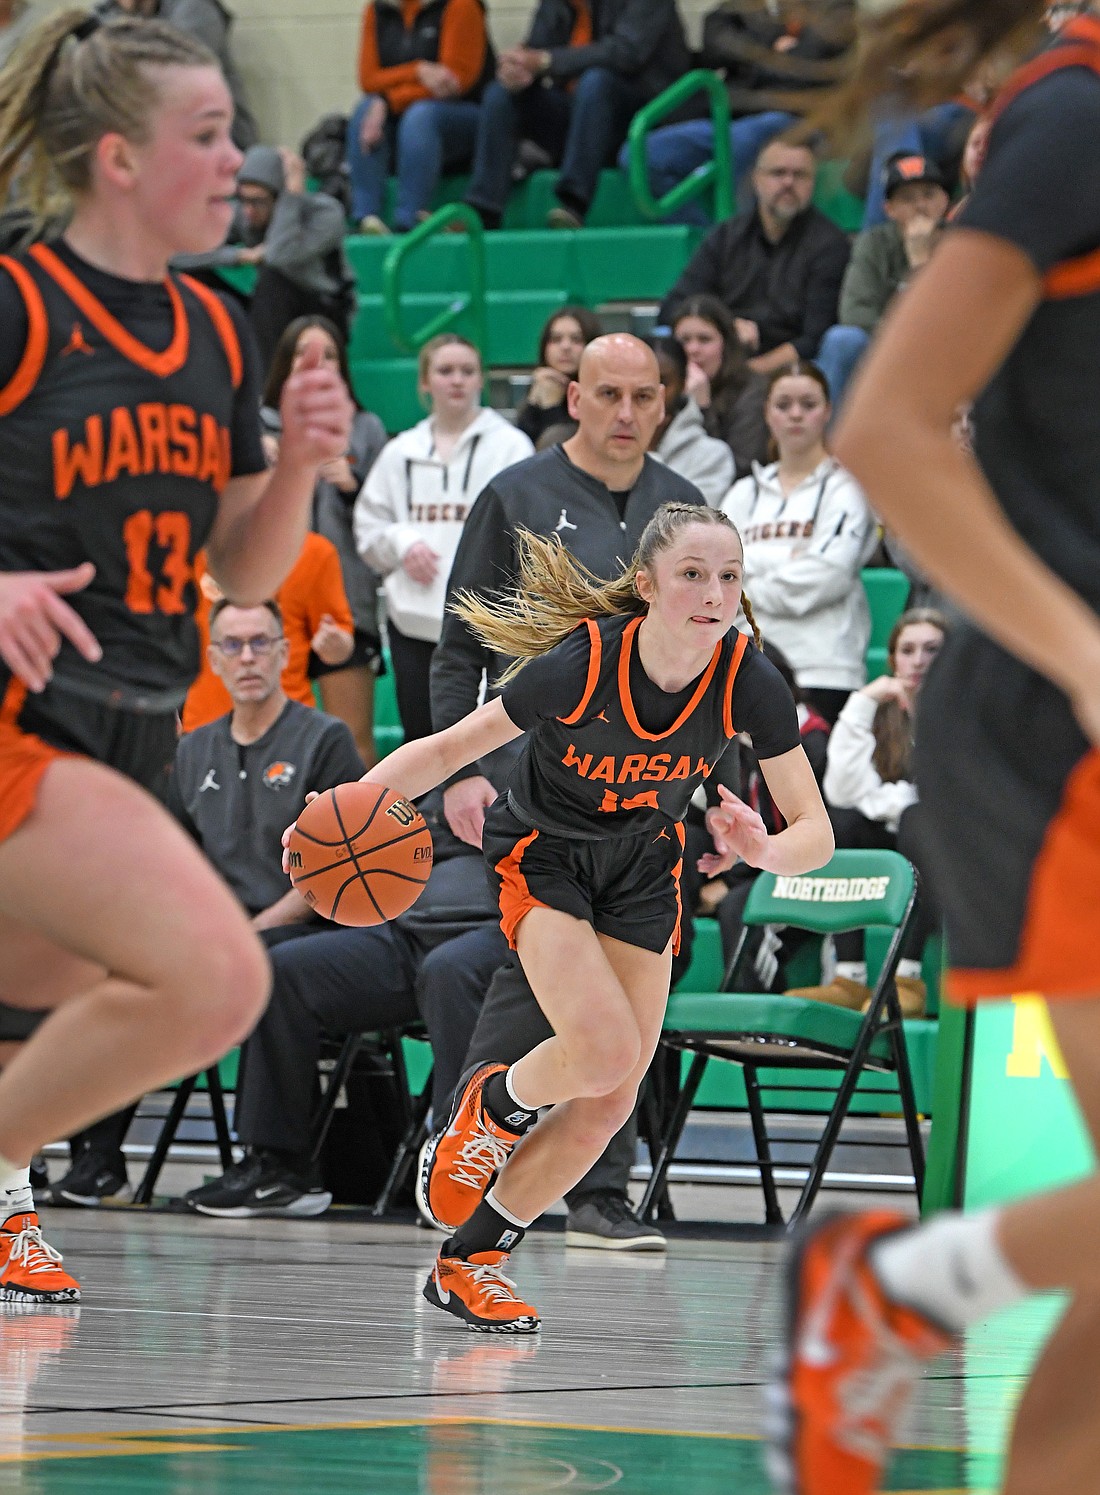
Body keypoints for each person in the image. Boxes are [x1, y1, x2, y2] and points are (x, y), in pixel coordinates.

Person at [770, 8, 1100, 1495]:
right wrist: (1081, 650)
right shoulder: (1076, 118)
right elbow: (888, 421)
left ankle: (905, 1288)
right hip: (1052, 728)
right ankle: (899, 1286)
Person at [0, 10, 352, 1303]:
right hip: (23, 712)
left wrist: (307, 467)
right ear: (117, 160)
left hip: (138, 722)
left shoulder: (213, 330)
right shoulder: (18, 302)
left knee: (39, 1016)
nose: (235, 159)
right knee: (214, 975)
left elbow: (241, 570)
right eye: (206, 135)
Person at [288, 502, 833, 1328]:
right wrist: (343, 808)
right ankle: (491, 1108)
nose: (714, 593)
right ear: (647, 584)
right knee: (604, 1047)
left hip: (644, 867)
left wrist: (760, 848)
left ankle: (469, 1262)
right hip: (542, 852)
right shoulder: (581, 662)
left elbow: (816, 837)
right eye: (692, 573)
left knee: (611, 1098)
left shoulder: (748, 679)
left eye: (729, 576)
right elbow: (444, 752)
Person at [427, 334, 710, 1251]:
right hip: (539, 795)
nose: (625, 412)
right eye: (608, 394)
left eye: (642, 396)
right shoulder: (514, 494)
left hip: (652, 804)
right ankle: (470, 1158)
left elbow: (718, 664)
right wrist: (459, 774)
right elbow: (458, 645)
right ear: (574, 396)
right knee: (528, 984)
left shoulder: (686, 508)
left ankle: (600, 1193)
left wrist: (720, 800)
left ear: (664, 402)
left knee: (631, 1008)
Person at [52, 598, 367, 1207]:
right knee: (110, 966)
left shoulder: (323, 740)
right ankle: (99, 1162)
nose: (247, 657)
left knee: (266, 959)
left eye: (259, 642)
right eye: (232, 644)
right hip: (213, 935)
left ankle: (275, 1166)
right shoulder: (193, 751)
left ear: (284, 652)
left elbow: (338, 868)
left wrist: (247, 930)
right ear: (214, 661)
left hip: (301, 928)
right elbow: (170, 863)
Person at [183, 802, 507, 1217]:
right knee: (281, 970)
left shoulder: (562, 752)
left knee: (450, 970)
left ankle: (461, 1172)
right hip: (409, 925)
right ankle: (281, 1170)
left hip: (505, 928)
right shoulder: (442, 755)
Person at [354, 334, 533, 743]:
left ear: (480, 381)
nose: (457, 381)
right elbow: (368, 527)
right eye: (445, 371)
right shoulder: (401, 452)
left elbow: (528, 534)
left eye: (467, 371)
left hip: (489, 625)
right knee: (420, 741)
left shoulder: (510, 447)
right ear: (424, 382)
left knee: (488, 745)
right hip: (413, 625)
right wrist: (402, 543)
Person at [784, 608, 947, 1018]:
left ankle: (907, 979)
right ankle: (849, 978)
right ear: (893, 660)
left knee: (920, 822)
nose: (919, 659)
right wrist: (863, 701)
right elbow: (841, 791)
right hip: (893, 833)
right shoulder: (878, 711)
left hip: (950, 850)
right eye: (908, 650)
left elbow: (948, 799)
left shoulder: (962, 711)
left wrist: (887, 801)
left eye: (932, 649)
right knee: (840, 823)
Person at [719, 362, 877, 724]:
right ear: (767, 413)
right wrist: (793, 558)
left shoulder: (847, 488)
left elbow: (829, 575)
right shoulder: (742, 493)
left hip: (825, 668)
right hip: (748, 664)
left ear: (828, 411)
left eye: (808, 404)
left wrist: (750, 578)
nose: (795, 414)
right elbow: (719, 575)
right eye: (783, 404)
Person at [262, 316, 388, 766]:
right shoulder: (257, 429)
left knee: (353, 739)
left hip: (346, 597)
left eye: (328, 355)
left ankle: (368, 834)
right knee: (270, 738)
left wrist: (354, 488)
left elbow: (385, 523)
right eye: (303, 353)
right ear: (285, 363)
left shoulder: (367, 429)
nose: (316, 364)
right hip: (270, 599)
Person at [461, 0, 691, 231]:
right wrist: (516, 68)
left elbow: (627, 52)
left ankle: (573, 203)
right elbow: (536, 50)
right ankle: (483, 210)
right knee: (502, 93)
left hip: (642, 116)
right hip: (579, 119)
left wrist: (545, 60)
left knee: (596, 81)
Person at [621, 0, 853, 227]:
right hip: (734, 122)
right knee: (640, 153)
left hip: (799, 121)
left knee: (741, 140)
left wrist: (753, 59)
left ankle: (744, 248)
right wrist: (771, 51)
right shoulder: (746, 5)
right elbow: (714, 44)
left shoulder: (835, 6)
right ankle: (711, 243)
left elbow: (806, 66)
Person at [657, 138, 850, 377]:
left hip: (796, 373)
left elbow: (816, 337)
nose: (788, 182)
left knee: (840, 341)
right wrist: (728, 325)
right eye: (778, 173)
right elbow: (672, 308)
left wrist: (747, 374)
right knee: (664, 336)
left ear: (812, 183)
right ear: (756, 180)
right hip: (723, 360)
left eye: (799, 175)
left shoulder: (830, 245)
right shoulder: (725, 237)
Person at [176, 144, 353, 366]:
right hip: (271, 313)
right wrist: (239, 256)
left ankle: (262, 388)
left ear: (279, 197)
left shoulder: (325, 214)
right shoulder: (245, 214)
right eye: (244, 199)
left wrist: (291, 197)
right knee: (193, 281)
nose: (248, 210)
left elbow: (279, 255)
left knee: (272, 278)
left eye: (258, 202)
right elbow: (176, 253)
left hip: (322, 310)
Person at [347, 0, 493, 235]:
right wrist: (418, 70)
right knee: (365, 109)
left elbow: (455, 80)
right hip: (405, 118)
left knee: (420, 115)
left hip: (467, 117)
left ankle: (409, 218)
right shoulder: (377, 10)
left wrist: (389, 100)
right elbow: (369, 79)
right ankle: (366, 216)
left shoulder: (461, 6)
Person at [816, 154, 950, 407]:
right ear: (889, 209)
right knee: (842, 340)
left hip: (949, 352)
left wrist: (920, 262)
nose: (921, 206)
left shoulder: (963, 243)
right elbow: (854, 314)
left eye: (929, 195)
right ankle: (828, 444)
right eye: (908, 199)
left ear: (945, 201)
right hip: (883, 351)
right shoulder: (873, 243)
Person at [181, 536, 355, 730]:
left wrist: (335, 645)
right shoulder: (183, 547)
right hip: (203, 727)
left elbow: (340, 646)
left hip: (289, 728)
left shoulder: (313, 552)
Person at [92, 0, 257, 148]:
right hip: (151, 148)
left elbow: (175, 79)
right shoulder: (104, 13)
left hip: (219, 147)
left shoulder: (194, 8)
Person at [669, 294, 769, 478]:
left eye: (704, 339)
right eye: (684, 340)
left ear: (726, 344)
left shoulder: (753, 390)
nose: (693, 349)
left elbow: (740, 468)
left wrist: (702, 409)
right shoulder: (665, 387)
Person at [648, 334, 736, 505]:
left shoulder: (712, 455)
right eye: (643, 382)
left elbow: (688, 526)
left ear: (683, 384)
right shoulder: (606, 447)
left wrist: (649, 450)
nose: (653, 393)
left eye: (664, 382)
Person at [515, 304, 603, 446]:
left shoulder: (602, 396)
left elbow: (563, 454)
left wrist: (551, 407)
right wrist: (533, 402)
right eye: (556, 339)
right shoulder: (541, 385)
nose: (565, 347)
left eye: (576, 339)